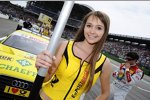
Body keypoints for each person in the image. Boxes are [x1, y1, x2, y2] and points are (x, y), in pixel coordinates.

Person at [35, 11, 112, 100]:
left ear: (105, 32)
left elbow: (105, 93)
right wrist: (41, 68)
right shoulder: (65, 46)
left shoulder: (105, 63)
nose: (92, 31)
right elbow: (46, 78)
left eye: (99, 28)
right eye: (89, 26)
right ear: (84, 27)